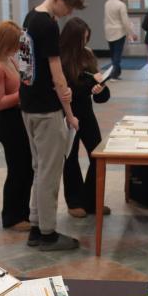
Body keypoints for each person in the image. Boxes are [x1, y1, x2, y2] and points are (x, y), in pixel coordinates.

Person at [18, 0, 86, 251]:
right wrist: (69, 112)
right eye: (68, 7)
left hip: (28, 105)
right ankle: (47, 233)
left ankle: (36, 226)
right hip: (47, 109)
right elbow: (57, 74)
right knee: (49, 172)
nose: (69, 12)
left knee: (39, 168)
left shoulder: (30, 17)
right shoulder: (47, 24)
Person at [59, 17, 111, 218]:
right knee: (70, 158)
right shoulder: (60, 59)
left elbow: (101, 97)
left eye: (87, 39)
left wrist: (99, 88)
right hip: (67, 114)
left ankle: (91, 200)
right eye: (81, 40)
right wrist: (88, 86)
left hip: (86, 113)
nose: (84, 45)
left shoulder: (88, 55)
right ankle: (74, 201)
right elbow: (65, 91)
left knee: (97, 155)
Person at [0, 20, 33, 231]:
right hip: (9, 123)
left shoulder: (10, 61)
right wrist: (22, 94)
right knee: (17, 170)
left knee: (26, 169)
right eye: (15, 42)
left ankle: (22, 211)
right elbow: (0, 102)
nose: (18, 46)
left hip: (19, 120)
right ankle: (12, 216)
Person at [103, 0, 137, 80]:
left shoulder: (107, 3)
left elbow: (106, 18)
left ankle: (116, 72)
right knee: (117, 55)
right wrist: (131, 33)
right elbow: (125, 22)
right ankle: (113, 74)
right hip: (118, 32)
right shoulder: (121, 5)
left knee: (113, 54)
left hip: (108, 31)